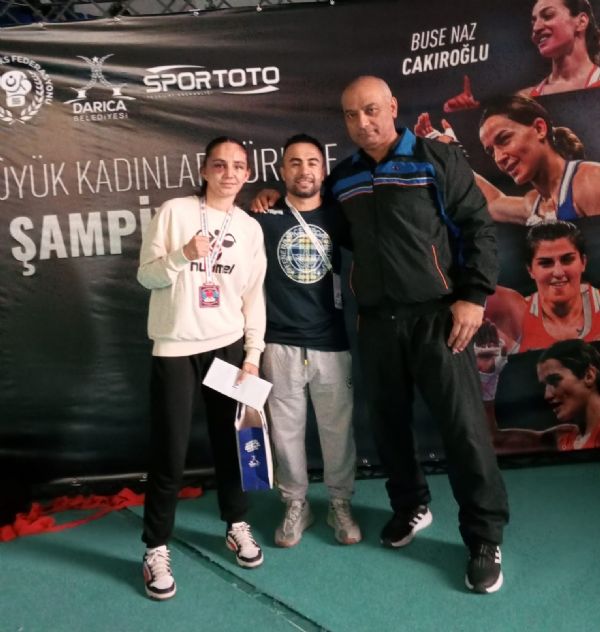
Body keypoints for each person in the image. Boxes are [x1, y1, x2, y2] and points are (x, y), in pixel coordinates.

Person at [253, 76, 509, 594]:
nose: (362, 122)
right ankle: (411, 506)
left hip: (439, 317)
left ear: (392, 106)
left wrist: (474, 296)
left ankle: (484, 538)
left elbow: (477, 226)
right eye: (351, 115)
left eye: (371, 110)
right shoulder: (344, 177)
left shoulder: (435, 158)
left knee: (463, 430)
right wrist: (274, 196)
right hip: (375, 321)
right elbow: (314, 212)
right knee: (389, 426)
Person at [137, 136, 267, 600]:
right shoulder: (175, 212)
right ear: (205, 170)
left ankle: (236, 523)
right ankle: (155, 547)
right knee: (170, 452)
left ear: (247, 174)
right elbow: (146, 276)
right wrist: (184, 255)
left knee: (233, 444)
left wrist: (252, 355)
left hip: (227, 349)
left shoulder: (248, 228)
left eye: (238, 166)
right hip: (175, 348)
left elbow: (253, 296)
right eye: (220, 165)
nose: (229, 173)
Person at [253, 133, 361, 548]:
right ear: (282, 171)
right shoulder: (262, 217)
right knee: (285, 432)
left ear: (324, 170)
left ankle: (339, 503)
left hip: (330, 342)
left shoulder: (340, 216)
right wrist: (259, 196)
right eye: (295, 163)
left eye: (312, 162)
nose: (304, 170)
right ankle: (296, 503)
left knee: (338, 431)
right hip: (279, 343)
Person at [415, 96, 600, 225]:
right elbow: (492, 202)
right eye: (491, 152)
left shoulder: (591, 181)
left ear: (539, 129)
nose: (499, 158)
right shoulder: (534, 204)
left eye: (504, 139)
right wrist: (450, 155)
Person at [485, 221, 600, 353]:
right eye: (546, 263)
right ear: (530, 270)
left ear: (583, 262)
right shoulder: (516, 312)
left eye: (567, 260)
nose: (558, 272)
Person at [488, 339, 600, 451]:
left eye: (554, 380)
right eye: (545, 386)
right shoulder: (564, 437)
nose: (547, 395)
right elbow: (493, 441)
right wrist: (487, 376)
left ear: (589, 376)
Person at [523, 0, 600, 97]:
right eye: (533, 22)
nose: (536, 28)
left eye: (548, 15)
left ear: (581, 22)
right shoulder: (526, 97)